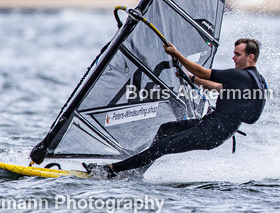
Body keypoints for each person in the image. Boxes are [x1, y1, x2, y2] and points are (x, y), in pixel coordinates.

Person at [84, 38, 266, 178]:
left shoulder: (241, 76)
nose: (233, 58)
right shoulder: (256, 79)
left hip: (212, 132)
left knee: (162, 146)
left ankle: (111, 170)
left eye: (237, 54)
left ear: (250, 57)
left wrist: (177, 55)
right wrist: (191, 79)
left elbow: (203, 72)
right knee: (166, 130)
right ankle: (136, 171)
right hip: (212, 127)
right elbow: (218, 87)